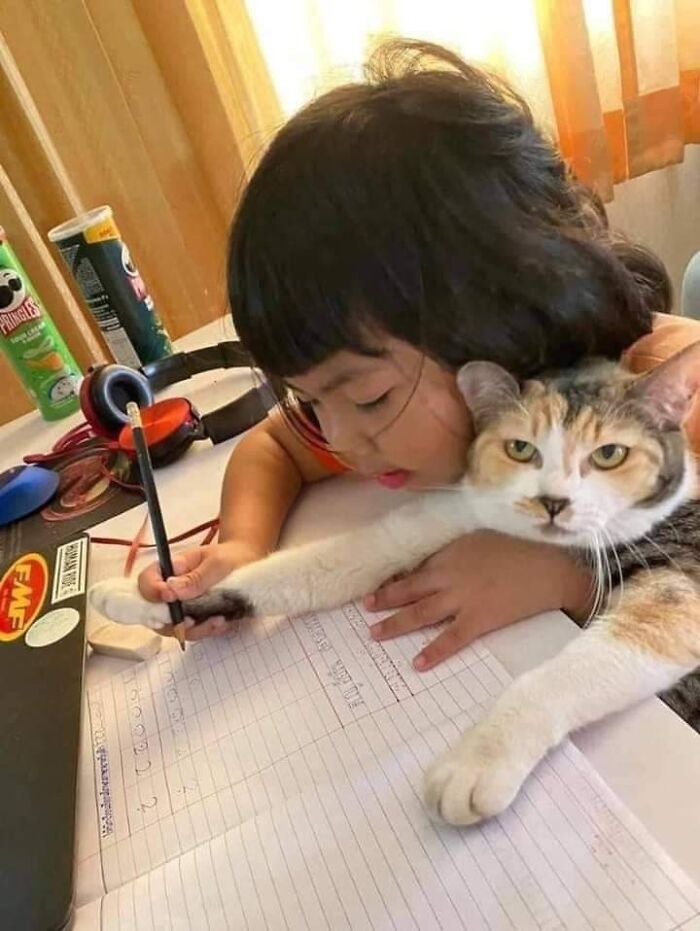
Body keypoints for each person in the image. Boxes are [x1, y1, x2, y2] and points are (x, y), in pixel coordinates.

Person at [138, 38, 700, 670]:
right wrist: (242, 547)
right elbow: (275, 448)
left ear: (498, 324)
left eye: (367, 398)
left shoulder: (657, 397)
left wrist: (570, 575)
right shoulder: (375, 400)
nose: (339, 436)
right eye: (311, 399)